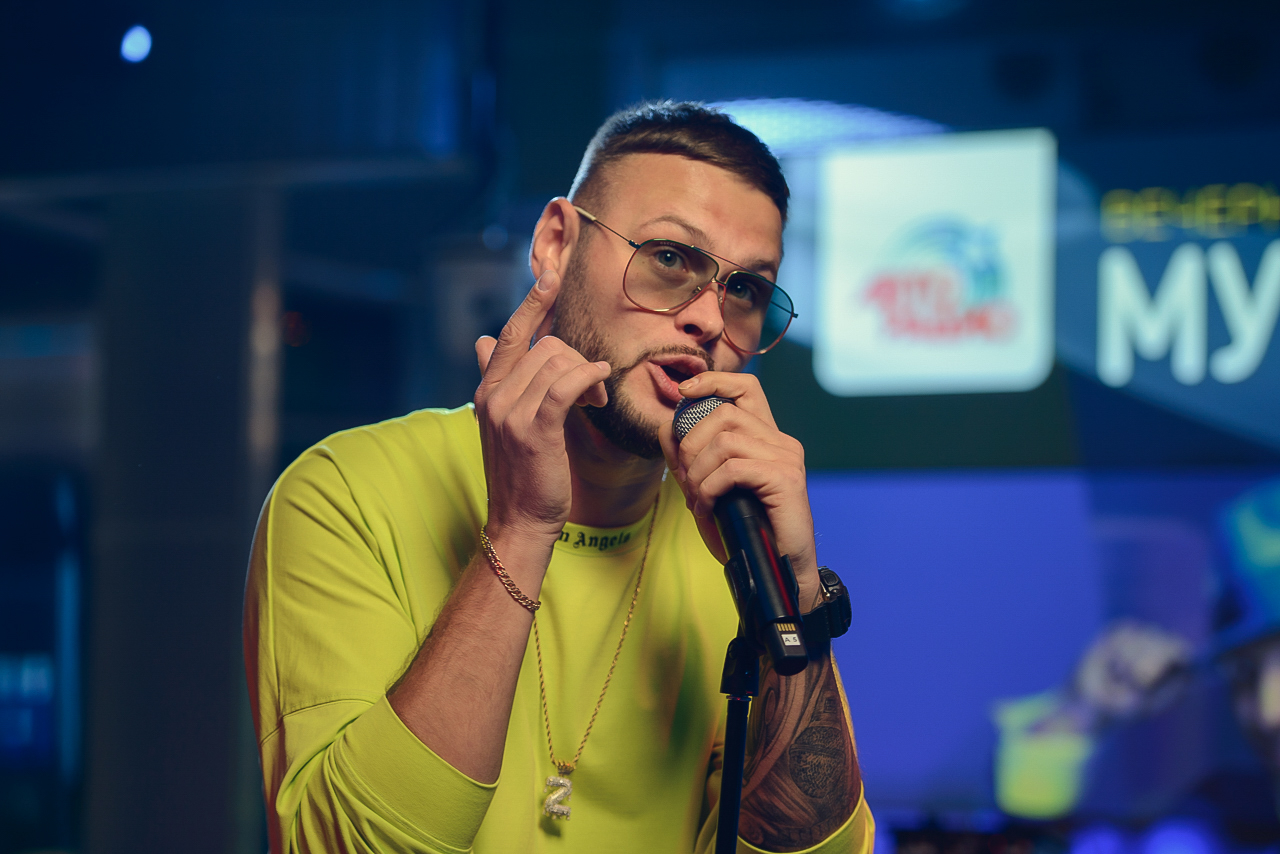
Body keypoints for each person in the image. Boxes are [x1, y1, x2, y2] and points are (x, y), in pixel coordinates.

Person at [243, 101, 874, 854]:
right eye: (671, 257)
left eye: (745, 290)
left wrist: (796, 597)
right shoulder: (344, 492)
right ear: (555, 246)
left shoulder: (736, 548)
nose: (709, 319)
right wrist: (520, 529)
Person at [994, 479, 1280, 837]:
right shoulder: (1209, 825)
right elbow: (1026, 821)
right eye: (1245, 672)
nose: (1269, 711)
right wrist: (1080, 713)